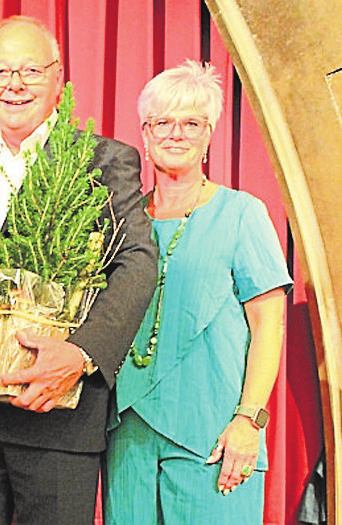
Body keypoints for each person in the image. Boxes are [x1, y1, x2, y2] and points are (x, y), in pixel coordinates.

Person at [0, 16, 158, 525]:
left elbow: (138, 263)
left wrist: (83, 352)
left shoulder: (103, 160)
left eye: (29, 70)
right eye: (0, 71)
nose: (13, 84)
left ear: (58, 76)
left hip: (57, 414)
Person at [104, 60, 293, 524]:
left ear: (209, 135)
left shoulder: (243, 213)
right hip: (126, 435)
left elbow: (270, 325)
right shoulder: (118, 218)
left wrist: (250, 420)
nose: (176, 134)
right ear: (144, 137)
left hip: (215, 434)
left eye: (191, 123)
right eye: (162, 122)